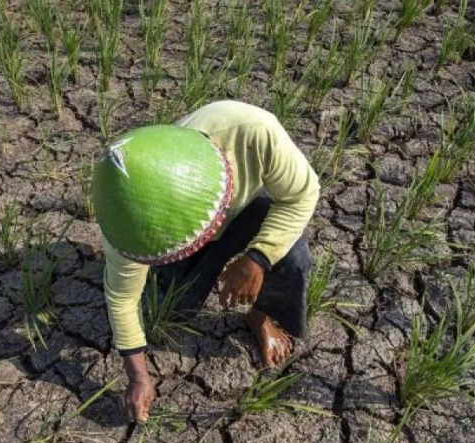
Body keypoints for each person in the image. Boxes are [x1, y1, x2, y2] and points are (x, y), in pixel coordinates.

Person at [92, 100, 320, 423]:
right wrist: (138, 376)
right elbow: (122, 298)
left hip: (250, 209)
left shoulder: (254, 133)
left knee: (293, 255)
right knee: (178, 308)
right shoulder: (125, 221)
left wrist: (258, 257)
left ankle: (260, 316)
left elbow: (303, 194)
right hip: (173, 226)